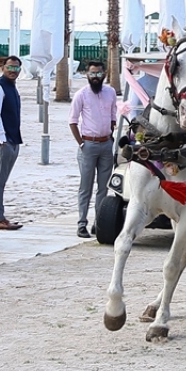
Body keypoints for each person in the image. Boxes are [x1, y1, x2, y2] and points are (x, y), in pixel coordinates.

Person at [68, 60, 117, 239]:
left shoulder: (110, 92)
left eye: (98, 73)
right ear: (86, 75)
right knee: (85, 187)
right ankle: (82, 224)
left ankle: (99, 223)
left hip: (106, 145)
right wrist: (81, 143)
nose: (95, 77)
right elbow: (72, 121)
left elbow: (113, 116)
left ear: (104, 74)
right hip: (88, 145)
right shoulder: (81, 95)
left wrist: (111, 136)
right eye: (92, 73)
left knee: (103, 187)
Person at [0, 56, 24, 231]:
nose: (12, 71)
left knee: (0, 180)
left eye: (16, 68)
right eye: (10, 67)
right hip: (2, 141)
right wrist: (1, 139)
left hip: (13, 139)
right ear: (2, 68)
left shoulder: (12, 88)